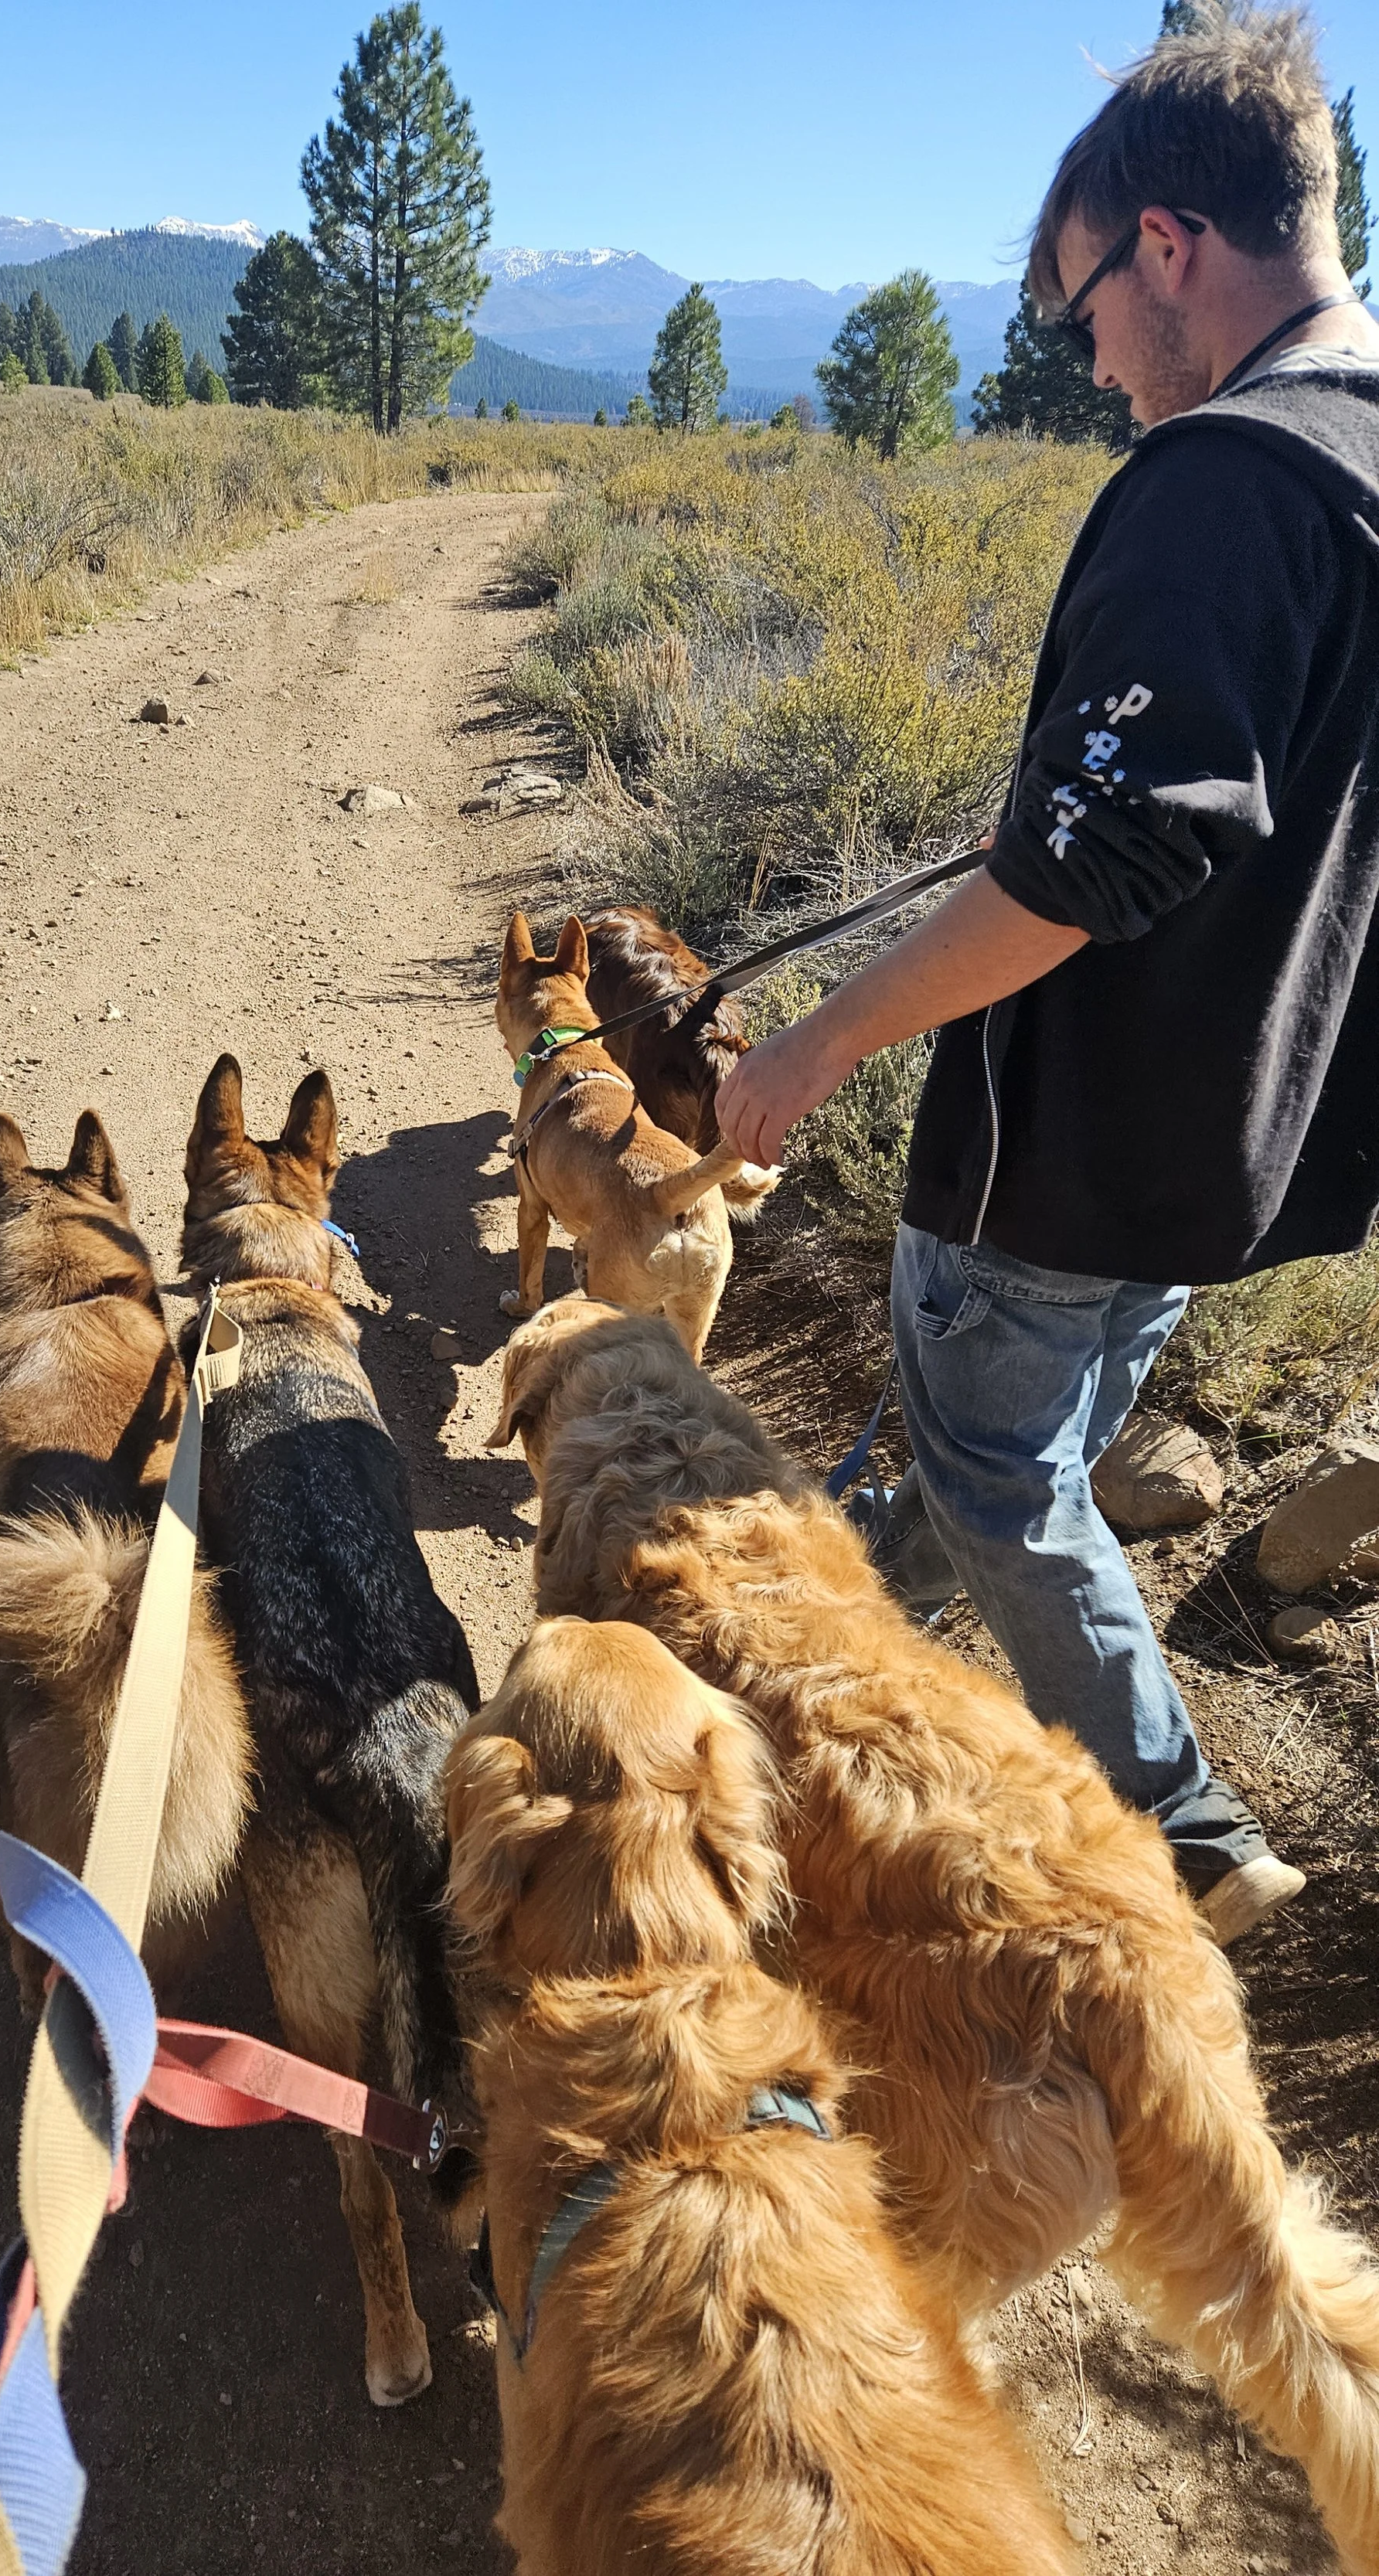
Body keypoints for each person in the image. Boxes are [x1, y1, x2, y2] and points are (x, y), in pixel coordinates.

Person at [713, 4, 1379, 1948]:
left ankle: (1178, 1837)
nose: (1090, 364)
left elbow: (1094, 858)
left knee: (1003, 1466)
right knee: (1014, 1442)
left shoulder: (1223, 481)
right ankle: (833, 1663)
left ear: (1165, 244)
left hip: (1074, 1136)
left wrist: (823, 1042)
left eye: (1083, 306)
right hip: (1238, 1141)